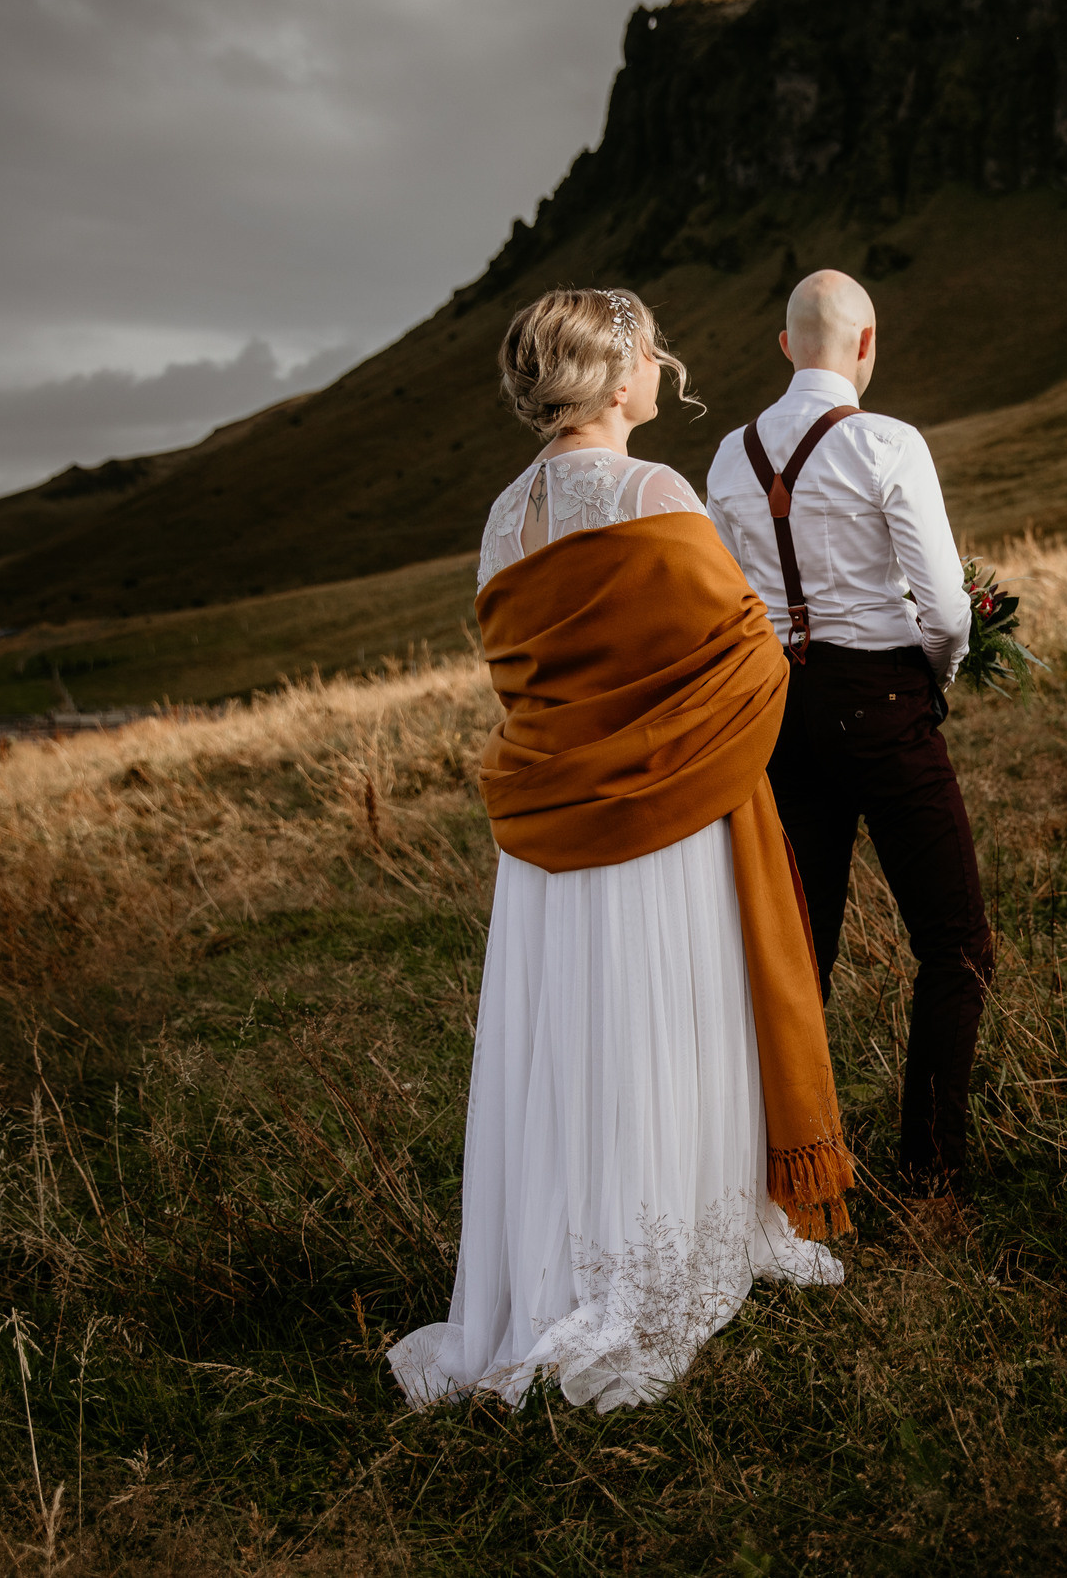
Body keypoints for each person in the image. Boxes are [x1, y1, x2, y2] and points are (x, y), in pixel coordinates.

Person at [387, 287, 852, 1415]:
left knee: (573, 1035)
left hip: (550, 828)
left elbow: (528, 676)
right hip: (661, 814)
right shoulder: (652, 491)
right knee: (663, 1020)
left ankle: (556, 1261)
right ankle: (653, 1261)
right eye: (650, 355)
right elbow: (739, 650)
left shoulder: (504, 518)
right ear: (613, 372)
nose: (663, 370)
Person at [705, 269, 993, 1189]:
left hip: (784, 716)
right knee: (956, 943)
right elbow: (947, 608)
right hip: (887, 705)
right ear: (867, 346)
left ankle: (785, 1172)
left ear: (786, 347)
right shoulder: (886, 442)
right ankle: (930, 1173)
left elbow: (728, 605)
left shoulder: (726, 457)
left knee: (801, 952)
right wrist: (934, 678)